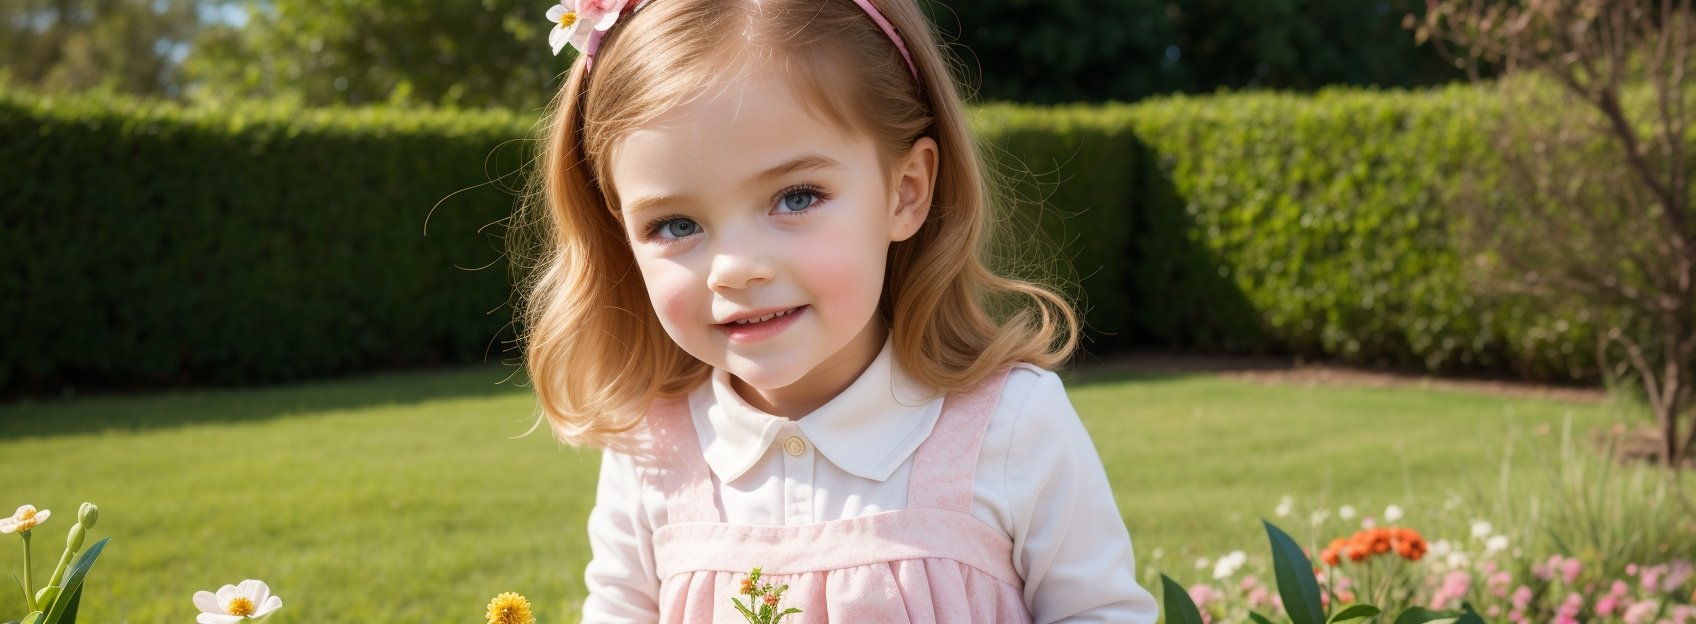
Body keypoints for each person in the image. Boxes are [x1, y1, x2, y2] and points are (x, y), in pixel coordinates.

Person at [513, 0, 1160, 621]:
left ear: (905, 192)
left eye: (796, 198)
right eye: (675, 224)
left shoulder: (1011, 427)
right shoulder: (651, 451)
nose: (736, 268)